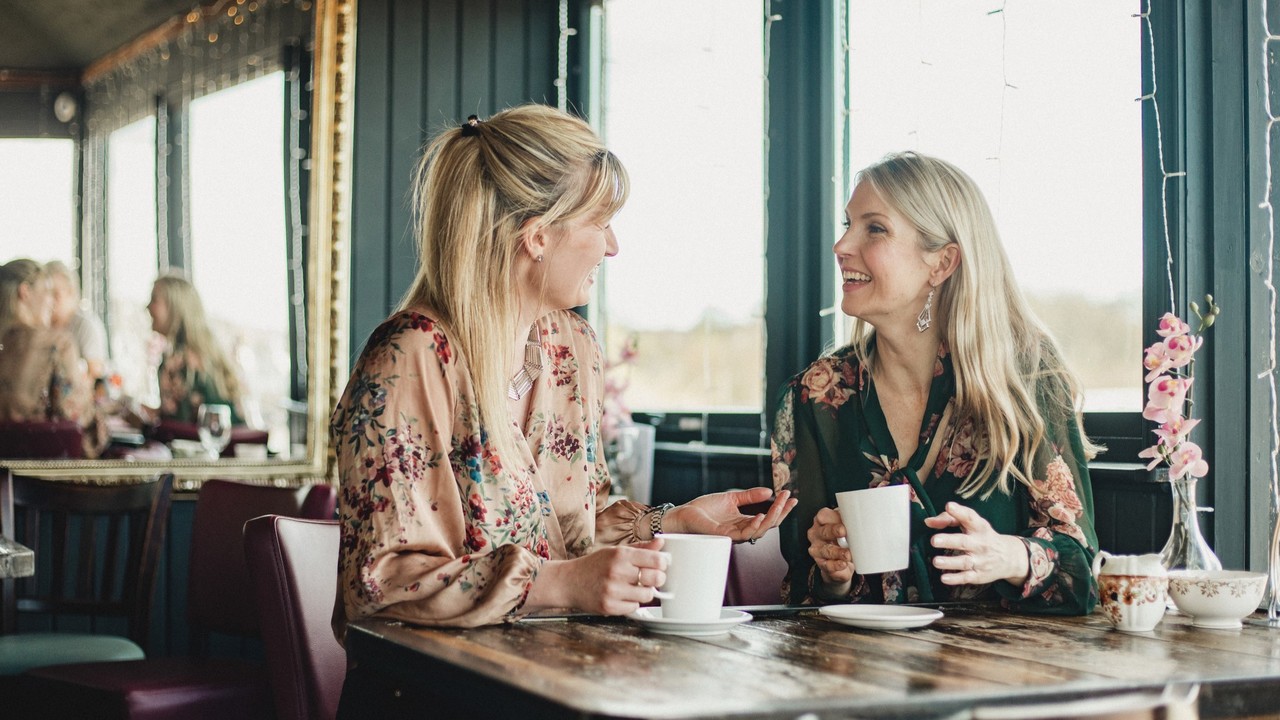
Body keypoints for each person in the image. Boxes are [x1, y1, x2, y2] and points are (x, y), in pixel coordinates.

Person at [330, 105, 796, 635]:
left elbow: (573, 532)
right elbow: (383, 584)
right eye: (600, 223)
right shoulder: (410, 358)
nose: (613, 246)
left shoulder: (571, 349)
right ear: (538, 236)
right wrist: (560, 586)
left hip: (558, 667)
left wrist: (672, 522)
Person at [771, 151, 1098, 615]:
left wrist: (1010, 556)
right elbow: (799, 595)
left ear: (942, 264)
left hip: (1000, 674)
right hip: (864, 676)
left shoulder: (1026, 379)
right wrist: (830, 574)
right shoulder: (816, 398)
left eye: (874, 228)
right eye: (847, 225)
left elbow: (1082, 574)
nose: (841, 246)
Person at [0, 258, 107, 458]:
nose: (51, 301)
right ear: (25, 292)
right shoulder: (56, 344)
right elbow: (77, 417)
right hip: (38, 478)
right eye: (47, 292)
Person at [146, 274, 246, 425]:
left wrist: (142, 422)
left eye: (154, 300)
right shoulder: (203, 353)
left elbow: (180, 426)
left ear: (175, 308)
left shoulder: (183, 361)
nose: (147, 306)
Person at [46, 260, 110, 381]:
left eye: (55, 294)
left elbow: (96, 374)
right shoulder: (42, 325)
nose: (49, 300)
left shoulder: (85, 325)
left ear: (70, 292)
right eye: (46, 293)